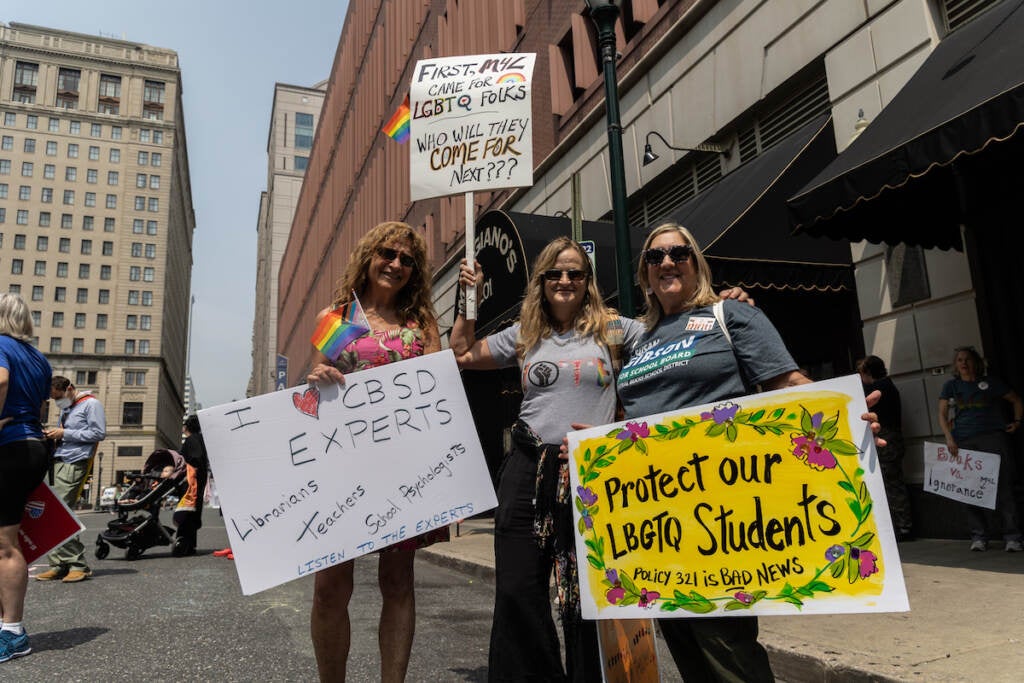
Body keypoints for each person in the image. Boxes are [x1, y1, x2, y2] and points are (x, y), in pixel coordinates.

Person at [451, 237, 753, 682]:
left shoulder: (612, 328)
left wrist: (720, 306)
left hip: (595, 472)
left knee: (591, 593)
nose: (565, 280)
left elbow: (671, 333)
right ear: (541, 281)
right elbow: (461, 353)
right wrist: (467, 298)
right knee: (517, 589)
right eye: (555, 273)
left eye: (575, 272)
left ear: (588, 281)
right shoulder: (525, 333)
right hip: (528, 467)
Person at [614, 222, 818, 682]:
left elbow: (787, 383)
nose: (666, 262)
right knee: (684, 642)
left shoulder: (731, 315)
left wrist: (844, 413)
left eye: (678, 253)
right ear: (644, 274)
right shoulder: (640, 339)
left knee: (725, 645)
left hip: (720, 512)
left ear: (695, 263)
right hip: (655, 518)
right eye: (654, 257)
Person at [305, 221, 445, 682]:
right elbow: (309, 394)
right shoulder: (338, 317)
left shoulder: (419, 323)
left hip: (403, 468)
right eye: (388, 253)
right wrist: (318, 380)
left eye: (407, 260)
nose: (396, 264)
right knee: (329, 589)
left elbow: (439, 394)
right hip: (342, 466)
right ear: (368, 257)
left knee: (399, 582)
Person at [0, 294, 52, 663]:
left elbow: (0, 380)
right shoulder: (38, 358)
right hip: (32, 444)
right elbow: (42, 405)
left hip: (10, 446)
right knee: (5, 540)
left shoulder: (0, 346)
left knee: (4, 544)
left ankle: (13, 633)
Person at [938, 346, 1023, 552]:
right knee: (969, 489)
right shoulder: (951, 386)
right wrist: (949, 439)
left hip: (993, 438)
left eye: (967, 359)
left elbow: (1016, 400)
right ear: (956, 365)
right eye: (959, 360)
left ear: (976, 362)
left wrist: (1017, 421)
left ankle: (1013, 537)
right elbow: (942, 414)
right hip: (964, 442)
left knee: (1004, 486)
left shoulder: (991, 383)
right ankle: (979, 536)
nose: (963, 363)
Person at [36, 376, 106, 583]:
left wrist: (64, 433)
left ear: (69, 389)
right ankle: (58, 564)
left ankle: (77, 565)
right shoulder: (68, 408)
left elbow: (98, 433)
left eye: (59, 397)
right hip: (58, 460)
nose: (57, 402)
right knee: (50, 512)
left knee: (61, 514)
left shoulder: (91, 404)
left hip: (75, 462)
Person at [858, 356, 913, 541]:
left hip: (888, 440)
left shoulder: (881, 388)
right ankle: (902, 525)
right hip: (893, 439)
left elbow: (868, 401)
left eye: (861, 372)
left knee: (891, 483)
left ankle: (903, 527)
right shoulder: (888, 385)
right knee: (893, 481)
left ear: (867, 372)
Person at [173, 415, 209, 557]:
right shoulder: (199, 439)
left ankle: (185, 544)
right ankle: (188, 545)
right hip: (195, 482)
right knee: (191, 513)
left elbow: (195, 459)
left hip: (191, 484)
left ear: (186, 427)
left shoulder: (192, 440)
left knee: (187, 512)